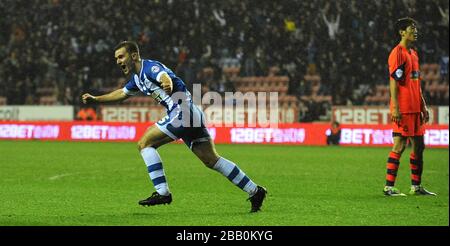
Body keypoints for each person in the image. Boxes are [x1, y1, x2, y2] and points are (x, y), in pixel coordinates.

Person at [81, 41, 267, 212]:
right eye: (116, 58)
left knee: (144, 143)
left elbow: (163, 75)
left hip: (182, 113)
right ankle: (255, 190)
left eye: (121, 56)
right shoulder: (137, 79)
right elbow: (122, 93)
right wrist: (97, 99)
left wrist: (167, 83)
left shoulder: (149, 67)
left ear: (134, 56)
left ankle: (162, 193)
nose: (118, 61)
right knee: (211, 160)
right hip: (192, 113)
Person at [383, 17, 436, 197]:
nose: (415, 31)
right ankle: (389, 187)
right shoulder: (397, 53)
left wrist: (423, 105)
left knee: (419, 147)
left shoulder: (413, 53)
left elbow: (417, 82)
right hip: (404, 108)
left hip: (416, 108)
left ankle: (416, 186)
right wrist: (395, 107)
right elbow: (393, 81)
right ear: (401, 32)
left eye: (415, 28)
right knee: (399, 145)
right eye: (411, 28)